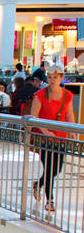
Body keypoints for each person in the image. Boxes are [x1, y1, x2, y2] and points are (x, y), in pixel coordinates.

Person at [30, 66, 75, 214]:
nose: (52, 80)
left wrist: (72, 131)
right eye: (49, 77)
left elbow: (69, 115)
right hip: (45, 139)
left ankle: (38, 184)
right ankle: (50, 200)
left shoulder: (67, 95)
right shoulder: (40, 95)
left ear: (61, 78)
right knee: (49, 168)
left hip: (60, 138)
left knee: (57, 169)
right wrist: (45, 131)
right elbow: (34, 116)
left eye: (55, 77)